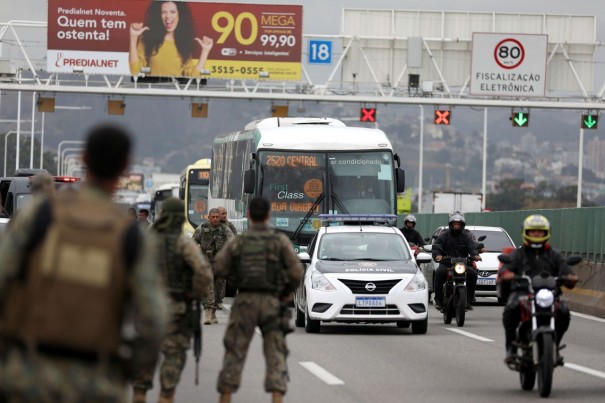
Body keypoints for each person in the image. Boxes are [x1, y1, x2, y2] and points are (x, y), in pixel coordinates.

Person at [0, 124, 168, 402]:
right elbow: (154, 319)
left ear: (84, 159)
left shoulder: (37, 216)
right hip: (95, 383)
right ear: (125, 167)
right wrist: (124, 371)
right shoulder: (132, 236)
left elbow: (4, 279)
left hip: (28, 375)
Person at [214, 197, 303, 403]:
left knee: (234, 352)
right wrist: (284, 292)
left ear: (249, 216)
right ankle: (276, 397)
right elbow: (296, 271)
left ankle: (226, 396)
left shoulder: (239, 242)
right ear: (269, 216)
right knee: (275, 355)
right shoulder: (279, 241)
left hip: (245, 300)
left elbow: (219, 267)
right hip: (272, 302)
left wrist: (236, 277)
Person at [131, 197, 213, 403]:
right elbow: (203, 273)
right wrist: (192, 294)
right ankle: (166, 395)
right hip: (176, 308)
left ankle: (139, 393)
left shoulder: (143, 241)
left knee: (144, 353)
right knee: (173, 355)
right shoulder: (183, 244)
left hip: (145, 308)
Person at [498, 214, 578, 366]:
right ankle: (511, 348)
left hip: (549, 294)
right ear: (526, 232)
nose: (536, 234)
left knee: (564, 311)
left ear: (546, 233)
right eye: (533, 231)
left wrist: (570, 276)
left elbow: (565, 269)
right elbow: (506, 269)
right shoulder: (519, 253)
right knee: (511, 309)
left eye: (539, 231)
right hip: (523, 291)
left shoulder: (554, 254)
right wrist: (507, 274)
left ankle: (554, 347)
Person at [129, 1, 214, 77]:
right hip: (153, 92)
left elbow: (192, 76)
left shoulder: (183, 42)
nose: (168, 16)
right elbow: (135, 71)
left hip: (176, 93)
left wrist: (205, 51)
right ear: (159, 15)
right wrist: (133, 38)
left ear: (179, 14)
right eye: (163, 12)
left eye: (172, 12)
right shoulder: (148, 37)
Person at [431, 211, 481, 311]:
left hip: (462, 264)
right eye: (455, 224)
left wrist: (475, 255)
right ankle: (438, 300)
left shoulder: (466, 237)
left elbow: (472, 247)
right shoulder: (444, 236)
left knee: (473, 274)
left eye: (459, 224)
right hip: (447, 263)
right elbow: (436, 247)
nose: (457, 226)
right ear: (451, 224)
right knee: (439, 273)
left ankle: (469, 300)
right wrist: (438, 256)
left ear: (462, 225)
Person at [193, 207, 234, 325]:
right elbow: (193, 243)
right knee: (208, 285)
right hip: (206, 262)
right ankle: (208, 312)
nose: (215, 219)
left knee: (219, 287)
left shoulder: (225, 230)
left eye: (217, 217)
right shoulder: (202, 229)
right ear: (209, 217)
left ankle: (214, 310)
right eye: (213, 217)